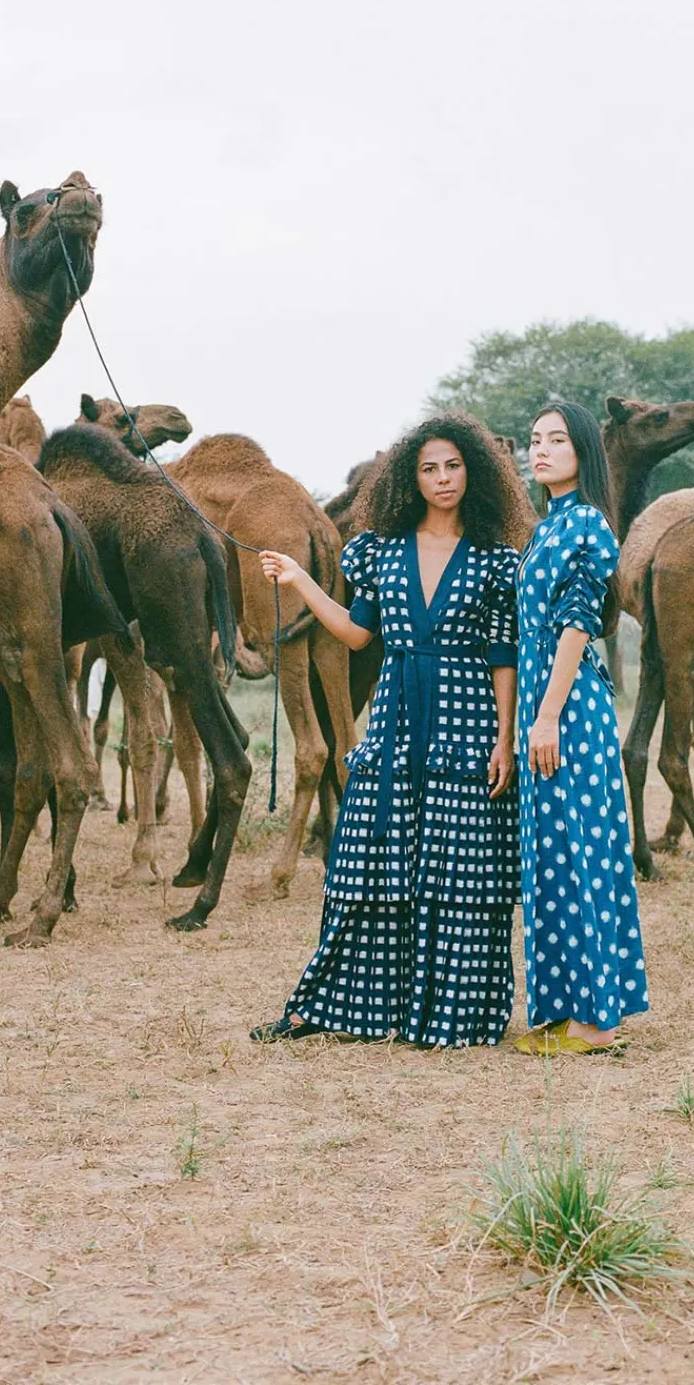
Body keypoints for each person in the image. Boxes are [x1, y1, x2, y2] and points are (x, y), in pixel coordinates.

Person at [250, 414, 532, 1049]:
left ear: (475, 472)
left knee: (462, 873)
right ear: (410, 478)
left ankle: (452, 1017)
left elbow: (502, 657)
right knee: (369, 862)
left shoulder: (497, 562)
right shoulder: (375, 550)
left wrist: (505, 738)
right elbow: (356, 633)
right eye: (429, 468)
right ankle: (347, 1006)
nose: (442, 479)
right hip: (397, 718)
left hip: (467, 724)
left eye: (453, 466)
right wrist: (299, 581)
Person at [513, 401, 648, 1055]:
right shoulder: (549, 525)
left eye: (557, 440)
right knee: (556, 858)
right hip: (543, 703)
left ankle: (596, 1023)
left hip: (565, 709)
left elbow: (576, 622)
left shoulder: (588, 525)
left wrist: (544, 716)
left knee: (582, 854)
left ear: (584, 451)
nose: (541, 450)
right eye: (536, 441)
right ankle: (575, 1011)